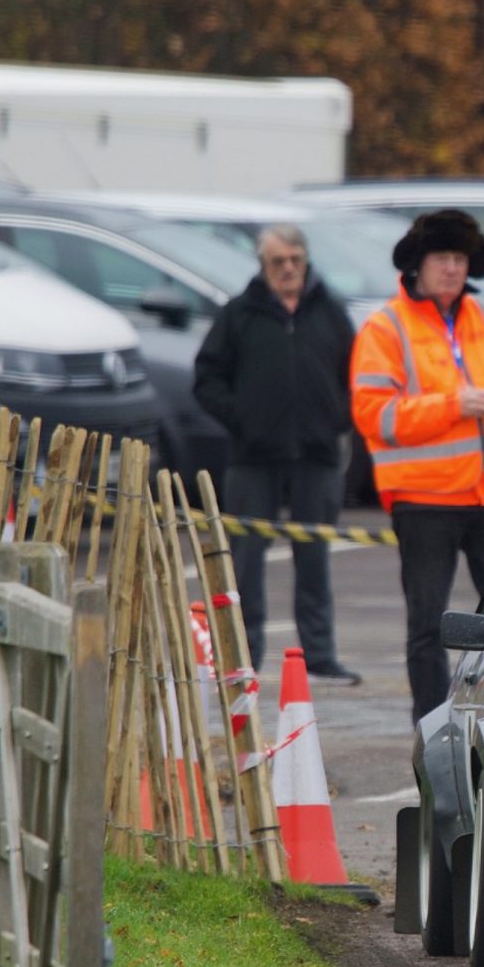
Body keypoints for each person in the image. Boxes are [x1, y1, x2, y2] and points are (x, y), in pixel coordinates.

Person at [350, 209, 484, 723]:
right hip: (425, 501)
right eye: (442, 257)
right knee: (428, 626)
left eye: (460, 258)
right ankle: (433, 728)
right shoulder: (385, 328)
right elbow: (376, 417)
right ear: (418, 264)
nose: (452, 268)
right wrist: (451, 406)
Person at [193, 223, 359, 682]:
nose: (288, 269)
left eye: (295, 260)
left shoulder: (330, 312)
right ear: (263, 266)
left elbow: (358, 372)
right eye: (277, 262)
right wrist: (243, 418)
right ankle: (243, 656)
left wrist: (337, 419)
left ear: (306, 261)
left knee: (314, 560)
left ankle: (321, 656)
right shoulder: (239, 314)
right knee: (245, 560)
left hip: (318, 455)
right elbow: (206, 379)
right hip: (254, 457)